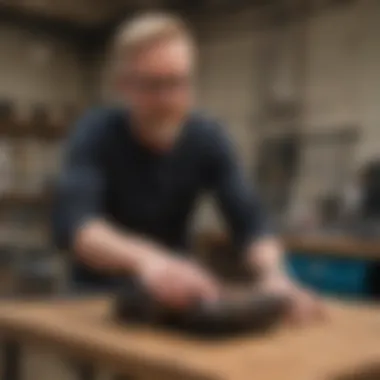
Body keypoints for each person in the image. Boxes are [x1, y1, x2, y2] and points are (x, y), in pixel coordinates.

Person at [53, 13, 325, 324]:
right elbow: (76, 225)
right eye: (153, 85)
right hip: (97, 297)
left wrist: (275, 276)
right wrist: (150, 262)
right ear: (123, 86)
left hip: (176, 297)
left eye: (178, 82)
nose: (169, 100)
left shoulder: (208, 138)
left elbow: (250, 223)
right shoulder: (96, 131)